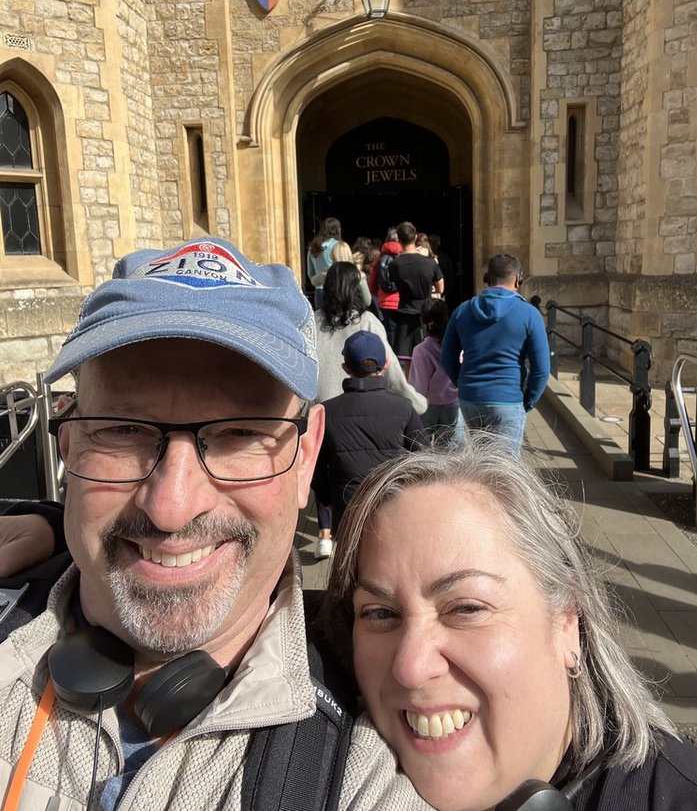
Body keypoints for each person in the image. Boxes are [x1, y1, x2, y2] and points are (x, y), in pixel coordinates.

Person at [0, 238, 426, 811]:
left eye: (240, 435)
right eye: (122, 430)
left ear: (307, 456)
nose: (171, 507)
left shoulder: (363, 758)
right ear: (69, 445)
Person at [323, 437, 697, 811]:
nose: (411, 668)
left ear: (567, 621)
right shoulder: (326, 765)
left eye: (466, 609)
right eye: (379, 613)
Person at [313, 261, 427, 558]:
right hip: (373, 406)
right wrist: (414, 403)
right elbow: (392, 374)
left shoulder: (311, 322)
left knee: (327, 468)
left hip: (324, 410)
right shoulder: (368, 323)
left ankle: (325, 534)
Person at [312, 330, 425, 534]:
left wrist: (327, 500)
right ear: (387, 364)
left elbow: (317, 469)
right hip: (392, 500)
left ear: (345, 368)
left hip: (348, 507)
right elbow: (423, 458)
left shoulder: (327, 411)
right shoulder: (404, 408)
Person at [441, 252, 549, 456]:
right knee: (503, 471)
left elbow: (447, 358)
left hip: (470, 398)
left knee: (480, 464)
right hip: (507, 398)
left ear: (487, 279)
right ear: (518, 279)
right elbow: (541, 369)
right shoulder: (529, 314)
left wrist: (464, 383)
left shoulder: (462, 311)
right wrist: (528, 401)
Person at [408, 298, 462, 445]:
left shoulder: (421, 350)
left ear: (422, 321)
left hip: (428, 405)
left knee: (421, 445)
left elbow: (419, 386)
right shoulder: (457, 346)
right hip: (453, 402)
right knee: (449, 448)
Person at [389, 222, 443, 364]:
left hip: (405, 312)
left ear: (399, 240)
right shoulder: (430, 262)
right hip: (426, 312)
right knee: (429, 358)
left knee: (406, 361)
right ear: (416, 237)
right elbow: (440, 288)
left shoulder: (395, 264)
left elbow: (393, 284)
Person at [367, 227, 402, 349]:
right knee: (403, 332)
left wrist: (377, 293)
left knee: (389, 331)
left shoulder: (379, 259)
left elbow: (371, 283)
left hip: (385, 302)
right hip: (402, 300)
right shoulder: (404, 257)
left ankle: (391, 358)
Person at [307, 216, 342, 309]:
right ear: (337, 230)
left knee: (321, 321)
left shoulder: (312, 247)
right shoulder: (337, 246)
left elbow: (310, 273)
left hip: (319, 290)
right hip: (335, 290)